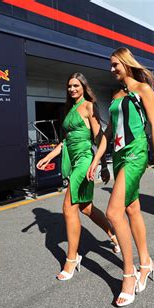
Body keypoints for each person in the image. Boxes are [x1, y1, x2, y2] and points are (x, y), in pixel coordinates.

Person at [87, 47, 154, 307]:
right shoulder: (116, 95)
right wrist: (98, 160)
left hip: (136, 154)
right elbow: (109, 132)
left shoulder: (143, 89)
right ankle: (146, 263)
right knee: (132, 209)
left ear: (126, 63)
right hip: (119, 155)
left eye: (115, 65)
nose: (112, 70)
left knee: (113, 213)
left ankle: (129, 274)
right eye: (110, 66)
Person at [36, 73, 120, 281]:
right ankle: (113, 234)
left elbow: (100, 138)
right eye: (69, 86)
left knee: (68, 208)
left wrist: (101, 165)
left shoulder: (89, 106)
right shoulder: (70, 109)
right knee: (86, 207)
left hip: (84, 160)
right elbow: (65, 142)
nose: (72, 89)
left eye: (76, 85)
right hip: (72, 161)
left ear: (83, 86)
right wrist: (48, 157)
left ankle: (72, 259)